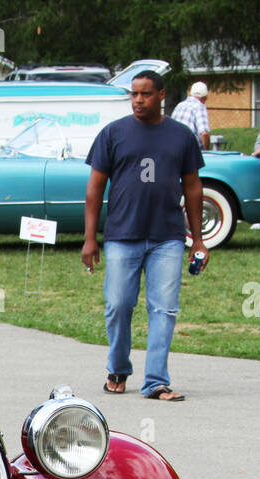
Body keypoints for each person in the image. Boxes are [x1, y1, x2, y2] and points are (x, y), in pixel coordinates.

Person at [81, 70, 208, 402]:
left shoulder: (181, 136)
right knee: (119, 305)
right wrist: (89, 238)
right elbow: (94, 190)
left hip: (167, 237)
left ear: (162, 95)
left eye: (145, 94)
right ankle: (118, 369)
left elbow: (194, 189)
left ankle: (156, 382)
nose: (138, 100)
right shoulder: (113, 134)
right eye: (134, 94)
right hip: (123, 235)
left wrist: (198, 239)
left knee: (164, 309)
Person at [171, 80, 211, 150]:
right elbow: (204, 133)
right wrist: (207, 151)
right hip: (189, 150)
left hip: (173, 148)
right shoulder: (199, 106)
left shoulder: (180, 105)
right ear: (204, 97)